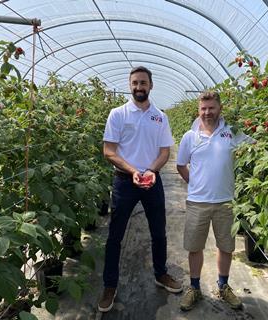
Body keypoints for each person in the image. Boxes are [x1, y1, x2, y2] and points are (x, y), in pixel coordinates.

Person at [98, 66, 183, 313]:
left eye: (143, 83)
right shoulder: (118, 114)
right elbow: (109, 151)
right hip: (124, 182)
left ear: (150, 86)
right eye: (135, 83)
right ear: (130, 85)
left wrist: (150, 171)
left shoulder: (160, 117)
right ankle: (109, 285)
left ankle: (161, 273)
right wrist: (133, 170)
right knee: (115, 235)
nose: (139, 87)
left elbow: (165, 151)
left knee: (159, 231)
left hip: (151, 181)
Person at [176, 91, 256, 311]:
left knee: (226, 246)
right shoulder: (189, 137)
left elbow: (255, 147)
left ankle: (223, 285)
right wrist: (194, 183)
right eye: (203, 108)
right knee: (194, 247)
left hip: (225, 202)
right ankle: (194, 288)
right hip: (197, 202)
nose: (207, 112)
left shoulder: (232, 132)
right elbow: (181, 164)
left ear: (220, 108)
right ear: (198, 110)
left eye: (211, 108)